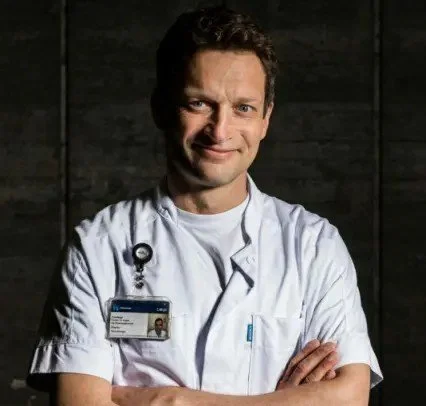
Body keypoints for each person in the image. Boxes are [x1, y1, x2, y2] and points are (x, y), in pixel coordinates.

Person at [27, 5, 383, 406]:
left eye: (243, 108)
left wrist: (170, 400)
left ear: (265, 119)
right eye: (199, 104)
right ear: (161, 108)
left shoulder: (313, 245)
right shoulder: (97, 247)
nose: (220, 130)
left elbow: (349, 397)